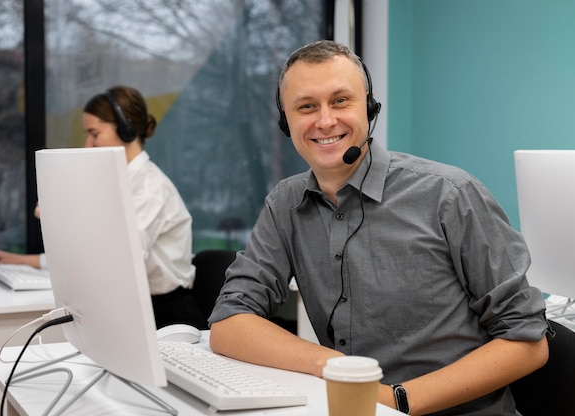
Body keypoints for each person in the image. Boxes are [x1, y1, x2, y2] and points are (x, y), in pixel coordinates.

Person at [208, 40, 550, 416]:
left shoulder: (449, 195)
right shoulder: (285, 204)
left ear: (369, 107)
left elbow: (528, 341)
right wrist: (335, 370)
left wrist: (396, 399)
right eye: (307, 106)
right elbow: (230, 322)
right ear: (285, 120)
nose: (325, 121)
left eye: (340, 101)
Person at [0, 86, 207, 330]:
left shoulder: (149, 189)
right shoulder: (114, 183)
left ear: (126, 128)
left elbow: (118, 262)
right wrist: (21, 260)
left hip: (167, 316)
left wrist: (58, 217)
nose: (88, 144)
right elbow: (90, 252)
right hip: (131, 306)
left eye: (94, 133)